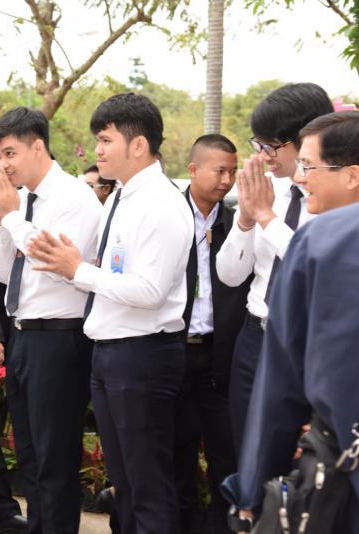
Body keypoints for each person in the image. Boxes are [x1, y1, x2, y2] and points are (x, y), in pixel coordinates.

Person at [28, 93, 193, 534]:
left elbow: (150, 291)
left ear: (138, 145)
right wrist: (75, 267)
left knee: (147, 483)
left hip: (142, 354)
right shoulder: (122, 196)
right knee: (126, 482)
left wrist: (78, 270)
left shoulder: (160, 203)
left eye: (105, 140)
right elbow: (112, 273)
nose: (96, 150)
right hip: (112, 350)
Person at [223, 110, 359, 533]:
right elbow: (229, 272)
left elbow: (279, 390)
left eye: (309, 166)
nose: (300, 177)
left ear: (352, 175)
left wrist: (251, 494)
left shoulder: (324, 240)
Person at [0, 106, 101, 534]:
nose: (3, 164)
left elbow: (53, 262)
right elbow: (5, 271)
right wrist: (0, 222)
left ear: (38, 147)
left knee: (54, 458)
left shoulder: (73, 197)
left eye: (10, 153)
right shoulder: (22, 202)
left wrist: (12, 217)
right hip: (23, 333)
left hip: (59, 336)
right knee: (30, 455)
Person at [215, 82, 333, 453]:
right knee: (245, 446)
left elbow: (312, 264)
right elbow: (229, 275)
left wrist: (266, 217)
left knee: (298, 455)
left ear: (307, 138)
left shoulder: (334, 195)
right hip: (256, 335)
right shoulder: (266, 189)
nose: (264, 156)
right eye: (259, 144)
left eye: (271, 146)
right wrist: (246, 219)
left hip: (306, 339)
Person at [174, 135, 249, 534]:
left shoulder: (238, 222)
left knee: (225, 452)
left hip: (220, 356)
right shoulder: (168, 216)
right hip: (175, 352)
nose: (227, 180)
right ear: (193, 169)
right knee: (177, 451)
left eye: (232, 171)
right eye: (219, 170)